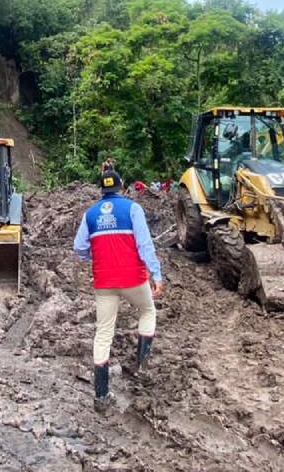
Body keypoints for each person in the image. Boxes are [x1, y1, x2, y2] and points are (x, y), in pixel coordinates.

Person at [73, 169, 163, 412]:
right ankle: (141, 366)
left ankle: (101, 395)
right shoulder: (133, 209)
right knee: (147, 311)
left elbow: (78, 248)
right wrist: (156, 273)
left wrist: (94, 254)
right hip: (133, 279)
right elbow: (145, 244)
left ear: (101, 191)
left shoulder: (90, 215)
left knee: (103, 332)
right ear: (122, 188)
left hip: (104, 283)